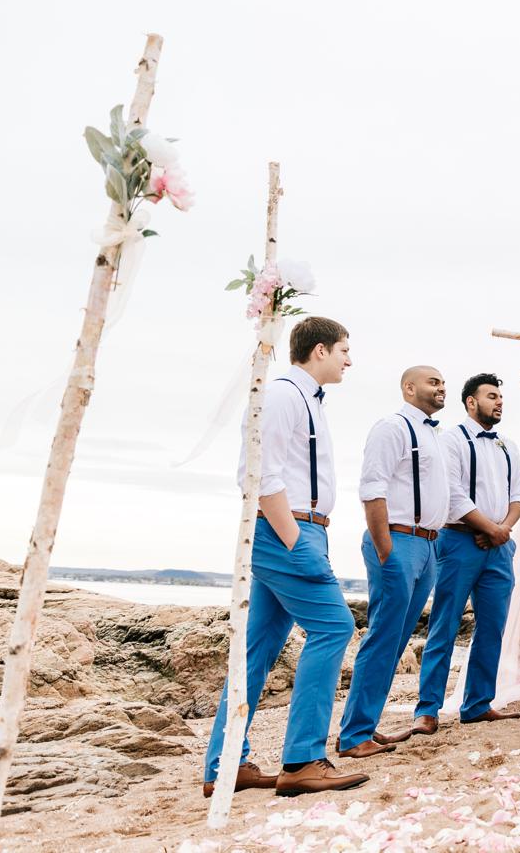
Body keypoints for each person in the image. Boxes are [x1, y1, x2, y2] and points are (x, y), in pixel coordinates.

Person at [201, 316, 367, 798]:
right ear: (319, 351)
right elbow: (258, 476)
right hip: (286, 532)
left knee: (256, 650)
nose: (349, 360)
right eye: (343, 351)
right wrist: (297, 540)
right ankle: (301, 760)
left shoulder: (307, 400)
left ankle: (224, 765)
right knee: (335, 627)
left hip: (299, 530)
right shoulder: (281, 396)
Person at [336, 365, 450, 754]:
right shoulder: (392, 427)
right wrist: (386, 550)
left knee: (397, 641)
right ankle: (353, 736)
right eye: (433, 382)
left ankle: (365, 727)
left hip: (428, 546)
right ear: (409, 387)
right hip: (398, 542)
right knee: (383, 637)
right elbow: (372, 489)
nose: (441, 388)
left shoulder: (432, 434)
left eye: (443, 383)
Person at [414, 373, 520, 732]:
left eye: (501, 397)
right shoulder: (451, 440)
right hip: (460, 541)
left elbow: (518, 497)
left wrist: (501, 531)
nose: (499, 402)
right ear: (471, 402)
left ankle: (477, 703)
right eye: (492, 396)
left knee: (492, 627)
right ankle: (427, 710)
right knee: (443, 625)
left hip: (498, 546)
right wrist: (489, 529)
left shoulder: (507, 445)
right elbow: (453, 493)